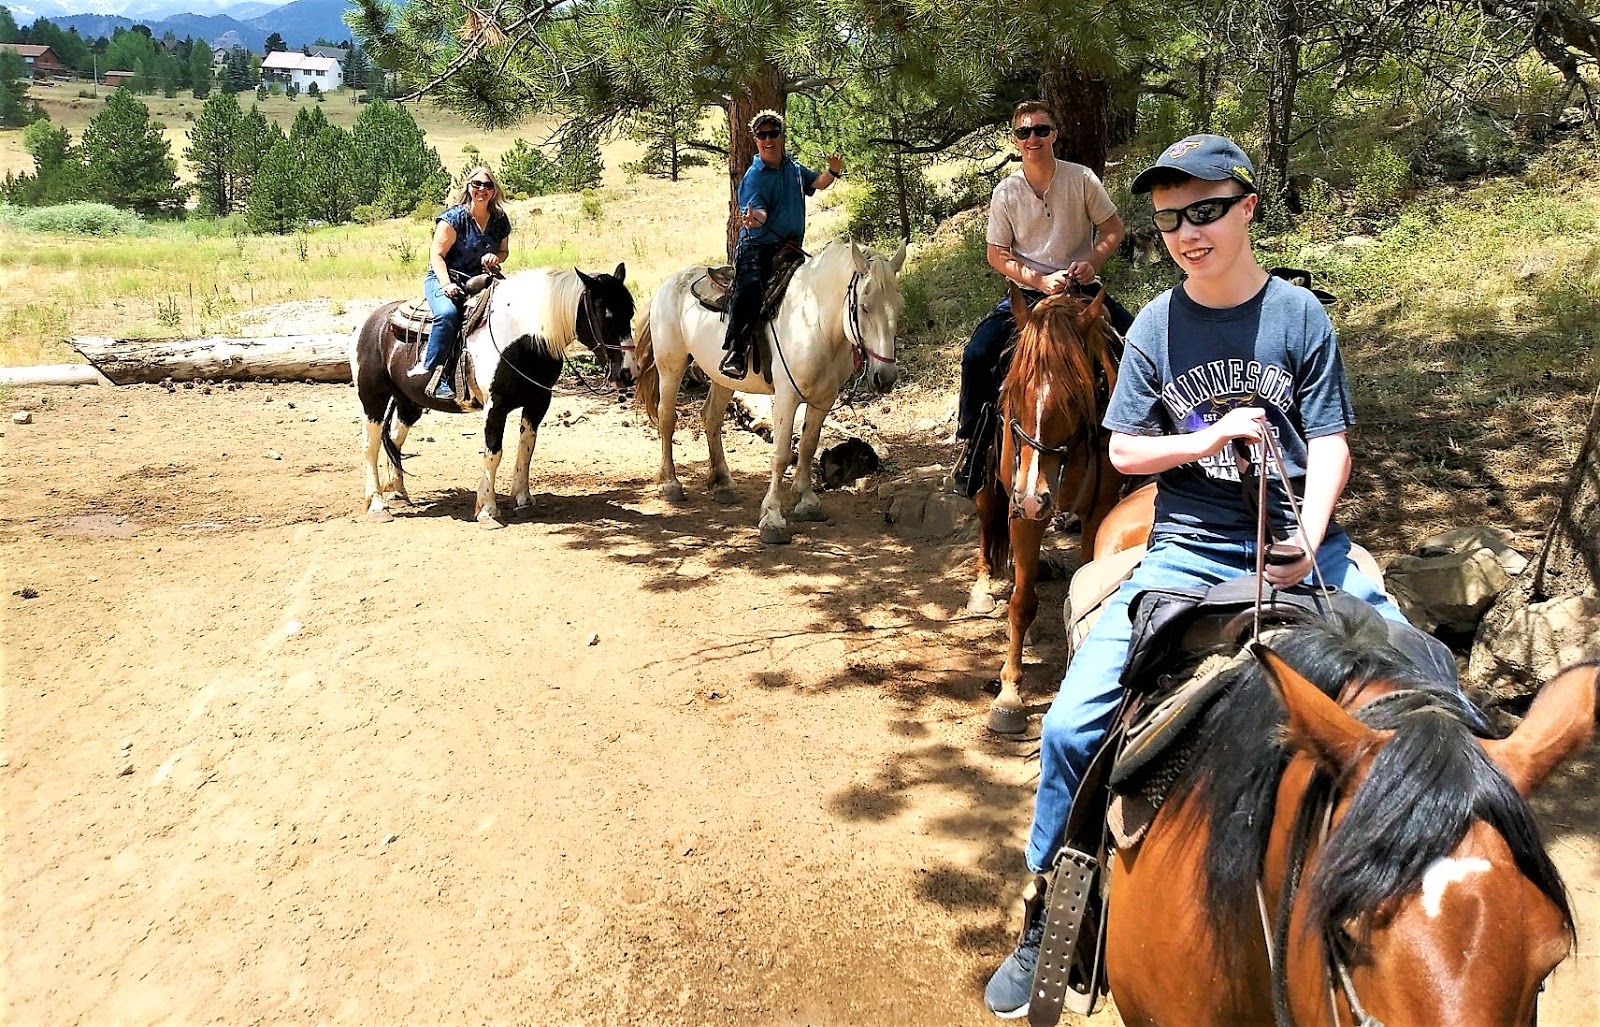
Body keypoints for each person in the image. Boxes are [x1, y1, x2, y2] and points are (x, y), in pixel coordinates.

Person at [982, 135, 1425, 1019]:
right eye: (1172, 218)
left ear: (1248, 206)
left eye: (1208, 210)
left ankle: (1429, 888)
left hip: (1306, 542)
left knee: (1425, 675)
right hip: (1188, 549)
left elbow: (1330, 437)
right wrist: (1205, 439)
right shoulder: (1155, 326)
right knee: (1072, 726)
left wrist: (1313, 525)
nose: (1190, 232)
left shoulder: (1301, 318)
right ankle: (1048, 919)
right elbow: (1124, 447)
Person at [951, 101, 1134, 496]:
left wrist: (1090, 260)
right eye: (1024, 132)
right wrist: (1037, 278)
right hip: (1030, 292)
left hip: (1080, 288)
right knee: (979, 355)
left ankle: (1141, 444)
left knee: (1134, 342)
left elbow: (1113, 229)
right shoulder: (1007, 192)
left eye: (1041, 130)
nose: (1033, 138)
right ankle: (974, 444)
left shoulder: (1081, 179)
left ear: (1055, 133)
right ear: (1015, 140)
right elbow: (996, 253)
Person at [719, 110, 843, 380]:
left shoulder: (794, 168)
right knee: (750, 286)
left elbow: (818, 183)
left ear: (781, 136)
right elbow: (759, 213)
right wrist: (754, 219)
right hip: (758, 247)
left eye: (773, 133)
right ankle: (736, 351)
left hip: (791, 247)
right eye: (762, 135)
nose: (768, 139)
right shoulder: (754, 177)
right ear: (755, 140)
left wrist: (833, 171)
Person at [408, 165, 511, 402]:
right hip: (445, 277)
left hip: (480, 279)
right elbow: (437, 255)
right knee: (446, 314)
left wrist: (496, 258)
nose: (482, 190)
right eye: (477, 184)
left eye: (487, 185)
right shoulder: (454, 217)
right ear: (468, 187)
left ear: (494, 190)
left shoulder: (499, 219)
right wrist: (445, 285)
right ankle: (433, 371)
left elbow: (504, 251)